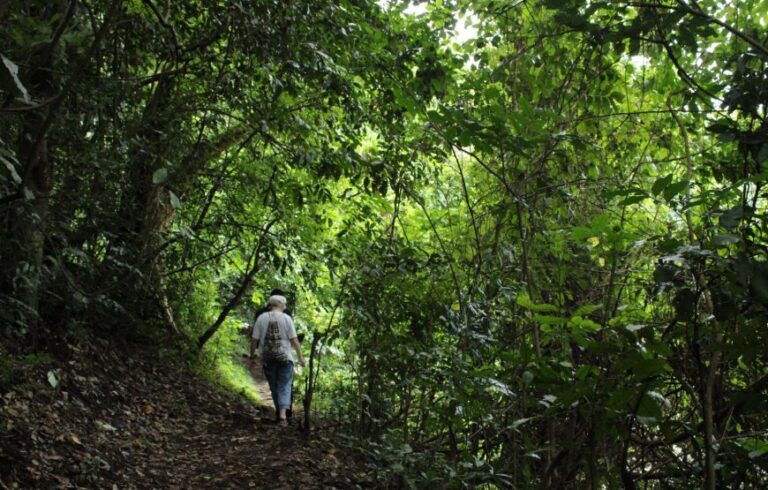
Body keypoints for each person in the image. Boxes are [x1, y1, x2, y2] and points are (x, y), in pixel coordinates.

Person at [251, 294, 305, 426]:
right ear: (282, 306)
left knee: (274, 386)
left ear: (270, 305)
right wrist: (300, 357)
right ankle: (282, 415)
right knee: (285, 385)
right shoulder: (287, 318)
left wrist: (252, 355)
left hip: (267, 357)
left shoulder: (261, 318)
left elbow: (254, 340)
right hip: (285, 357)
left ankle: (279, 414)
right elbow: (294, 340)